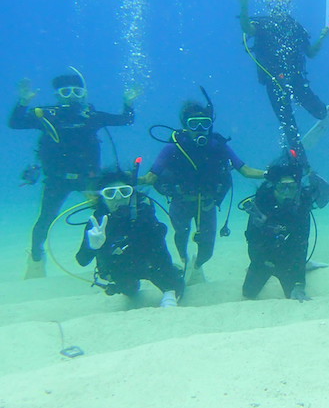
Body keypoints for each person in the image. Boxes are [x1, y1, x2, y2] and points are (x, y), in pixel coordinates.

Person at [9, 69, 137, 278]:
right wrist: (23, 102)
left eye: (77, 92)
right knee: (45, 219)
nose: (72, 96)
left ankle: (113, 258)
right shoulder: (47, 115)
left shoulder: (92, 117)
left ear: (84, 94)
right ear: (58, 95)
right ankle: (36, 259)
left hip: (89, 180)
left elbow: (126, 119)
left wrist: (128, 102)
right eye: (66, 92)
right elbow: (15, 123)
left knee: (108, 216)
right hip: (56, 180)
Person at [140, 96, 264, 283]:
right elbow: (150, 178)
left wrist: (274, 173)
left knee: (207, 251)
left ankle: (197, 265)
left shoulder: (219, 146)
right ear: (185, 125)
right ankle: (185, 260)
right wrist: (125, 180)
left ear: (210, 125)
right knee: (181, 235)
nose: (199, 129)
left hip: (207, 204)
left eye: (204, 124)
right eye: (194, 124)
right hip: (180, 202)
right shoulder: (173, 148)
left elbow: (246, 171)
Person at [237, 0, 328, 170]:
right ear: (270, 4)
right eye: (274, 0)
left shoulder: (295, 27)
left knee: (321, 112)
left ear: (287, 2)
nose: (278, 3)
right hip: (274, 82)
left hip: (297, 80)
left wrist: (322, 37)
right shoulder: (263, 24)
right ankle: (304, 166)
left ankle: (327, 113)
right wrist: (244, 5)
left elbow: (310, 53)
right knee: (289, 127)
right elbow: (246, 28)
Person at [75, 169, 183, 307]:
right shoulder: (97, 222)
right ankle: (131, 283)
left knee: (171, 280)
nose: (118, 198)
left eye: (124, 191)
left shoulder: (144, 215)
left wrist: (170, 291)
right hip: (118, 269)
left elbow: (161, 252)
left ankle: (173, 276)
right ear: (101, 197)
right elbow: (82, 260)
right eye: (110, 193)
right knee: (129, 289)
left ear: (132, 193)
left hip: (148, 264)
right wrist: (93, 247)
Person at [242, 152, 329, 301]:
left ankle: (306, 266)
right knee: (248, 293)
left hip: (288, 258)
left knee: (294, 295)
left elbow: (302, 244)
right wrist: (262, 261)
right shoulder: (261, 204)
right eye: (282, 187)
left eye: (292, 187)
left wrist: (299, 283)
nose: (287, 193)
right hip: (264, 258)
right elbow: (251, 240)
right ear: (273, 187)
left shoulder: (302, 206)